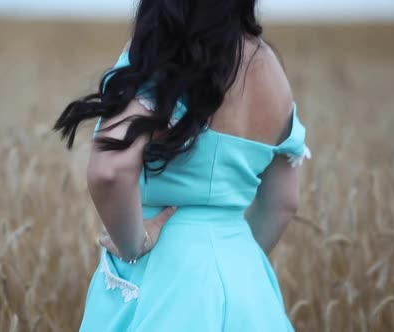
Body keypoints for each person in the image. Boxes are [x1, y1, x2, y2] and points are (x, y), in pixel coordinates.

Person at [54, 0, 311, 330]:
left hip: (165, 284)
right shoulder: (271, 68)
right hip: (251, 293)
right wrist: (232, 260)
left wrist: (135, 244)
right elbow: (284, 202)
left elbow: (110, 170)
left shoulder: (164, 53)